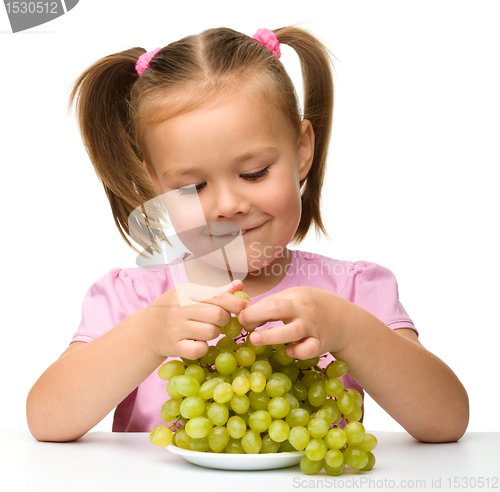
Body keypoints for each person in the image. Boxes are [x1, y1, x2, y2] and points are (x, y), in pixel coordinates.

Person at [26, 26, 469, 444]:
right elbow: (46, 421)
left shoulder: (354, 292)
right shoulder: (132, 301)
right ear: (159, 186)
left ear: (301, 151)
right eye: (193, 187)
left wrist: (351, 331)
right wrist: (145, 338)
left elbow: (446, 422)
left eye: (253, 173)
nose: (227, 205)